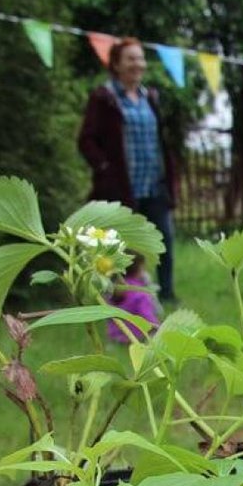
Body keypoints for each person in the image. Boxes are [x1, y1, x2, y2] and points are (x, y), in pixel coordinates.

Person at [77, 37, 179, 301]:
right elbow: (86, 140)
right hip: (121, 188)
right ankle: (116, 297)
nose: (138, 64)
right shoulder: (105, 98)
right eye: (131, 58)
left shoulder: (150, 97)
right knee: (119, 246)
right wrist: (104, 168)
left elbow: (160, 140)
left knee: (163, 239)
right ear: (116, 65)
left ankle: (166, 293)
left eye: (141, 58)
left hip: (153, 185)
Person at [107, 254, 163, 344]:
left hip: (115, 334)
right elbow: (147, 317)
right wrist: (159, 327)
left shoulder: (115, 288)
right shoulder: (140, 292)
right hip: (135, 336)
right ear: (138, 269)